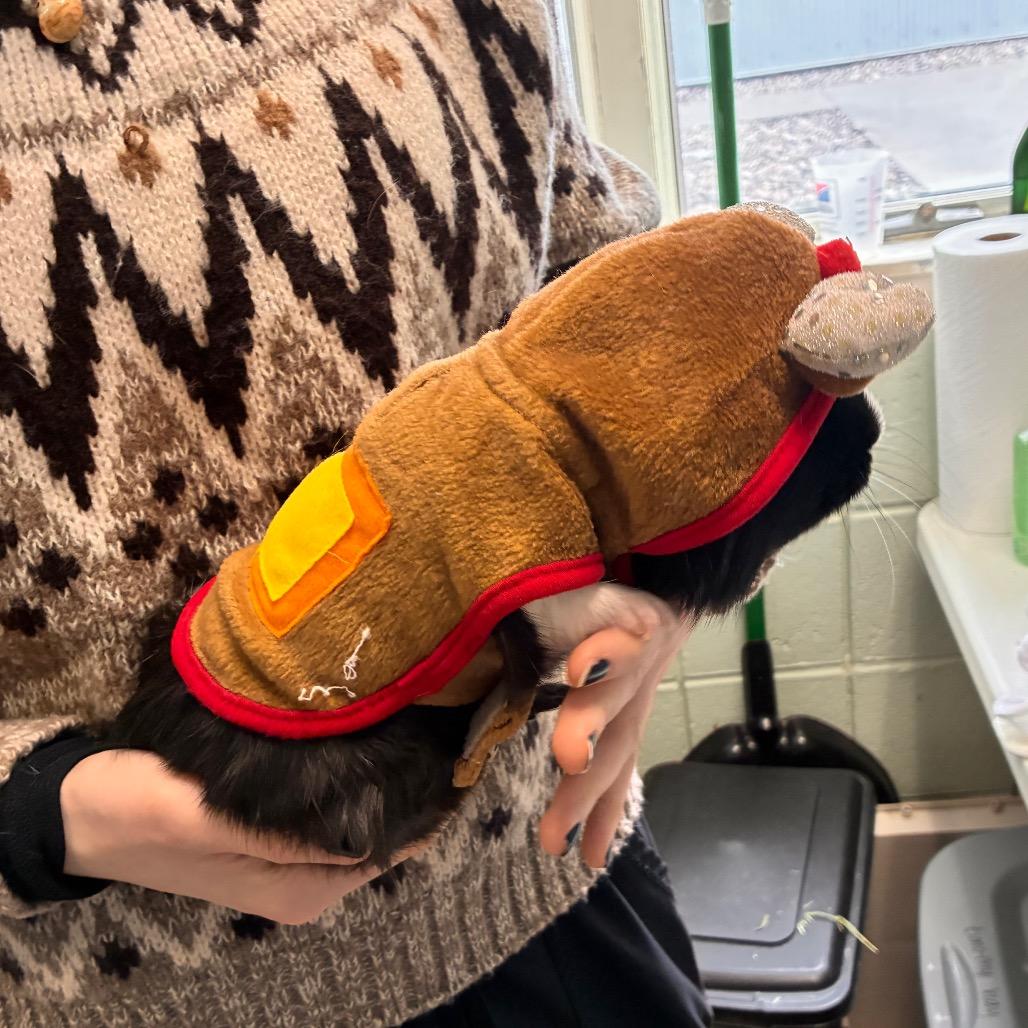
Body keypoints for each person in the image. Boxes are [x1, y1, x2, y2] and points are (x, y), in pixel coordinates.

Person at [0, 1, 711, 1024]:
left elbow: (634, 313)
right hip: (98, 988)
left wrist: (674, 573)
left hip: (547, 912)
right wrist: (43, 816)